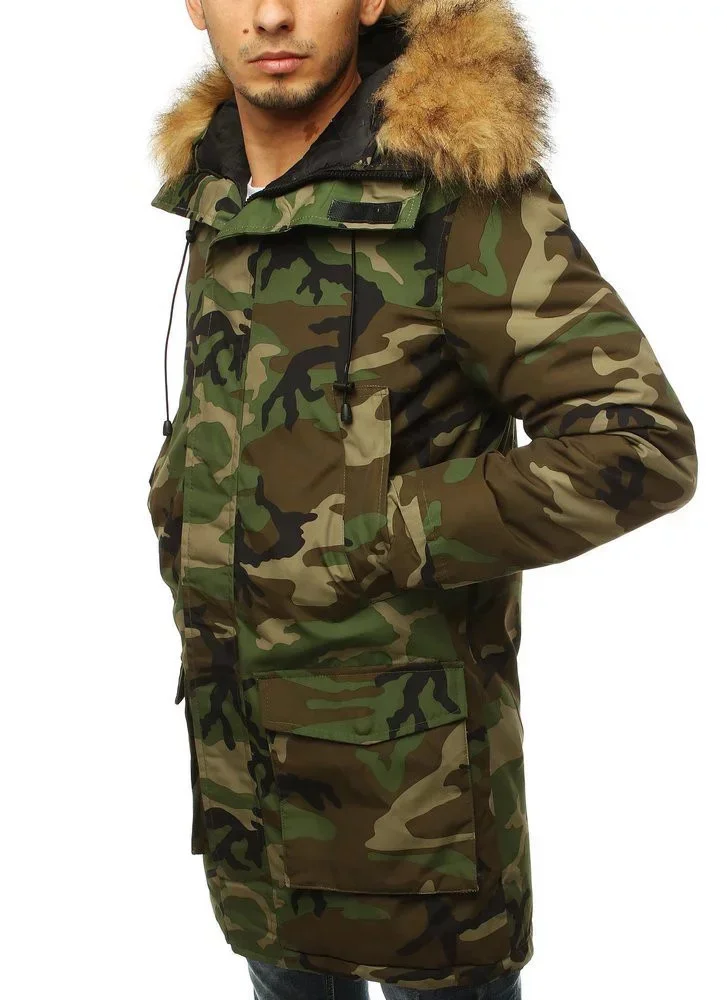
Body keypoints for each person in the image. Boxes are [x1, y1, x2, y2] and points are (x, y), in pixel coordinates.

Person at [145, 1, 698, 998]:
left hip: (418, 831)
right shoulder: (218, 185)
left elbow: (639, 443)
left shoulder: (456, 195)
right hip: (250, 798)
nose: (270, 14)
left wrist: (373, 530)